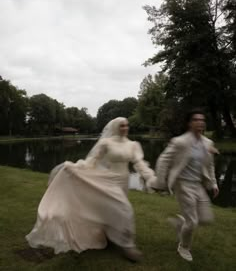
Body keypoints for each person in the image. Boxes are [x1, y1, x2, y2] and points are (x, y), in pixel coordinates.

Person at [26, 117, 157, 261]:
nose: (125, 128)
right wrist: (75, 167)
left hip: (123, 181)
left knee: (112, 209)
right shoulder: (106, 143)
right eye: (122, 126)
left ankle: (110, 236)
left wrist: (150, 177)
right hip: (109, 180)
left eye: (127, 125)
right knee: (125, 209)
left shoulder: (133, 145)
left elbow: (139, 163)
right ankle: (128, 246)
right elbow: (92, 161)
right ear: (115, 127)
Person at [155, 109, 219, 262]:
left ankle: (180, 223)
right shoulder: (180, 142)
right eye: (196, 119)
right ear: (190, 123)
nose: (200, 122)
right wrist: (161, 182)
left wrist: (214, 183)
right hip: (182, 184)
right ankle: (184, 247)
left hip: (198, 185)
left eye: (202, 120)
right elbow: (163, 160)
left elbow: (209, 166)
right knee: (193, 222)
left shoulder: (208, 143)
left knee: (206, 218)